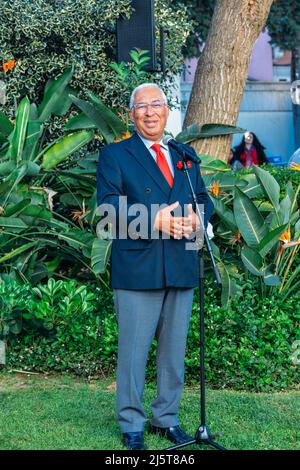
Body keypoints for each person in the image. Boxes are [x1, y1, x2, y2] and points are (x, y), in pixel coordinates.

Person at [96, 83, 214, 450]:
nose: (150, 112)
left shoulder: (184, 154)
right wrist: (154, 220)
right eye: (142, 106)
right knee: (134, 352)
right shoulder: (115, 155)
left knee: (174, 352)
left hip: (180, 264)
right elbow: (106, 211)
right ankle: (132, 424)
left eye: (157, 105)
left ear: (167, 111)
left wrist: (197, 221)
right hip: (138, 269)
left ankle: (167, 418)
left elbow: (204, 201)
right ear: (131, 115)